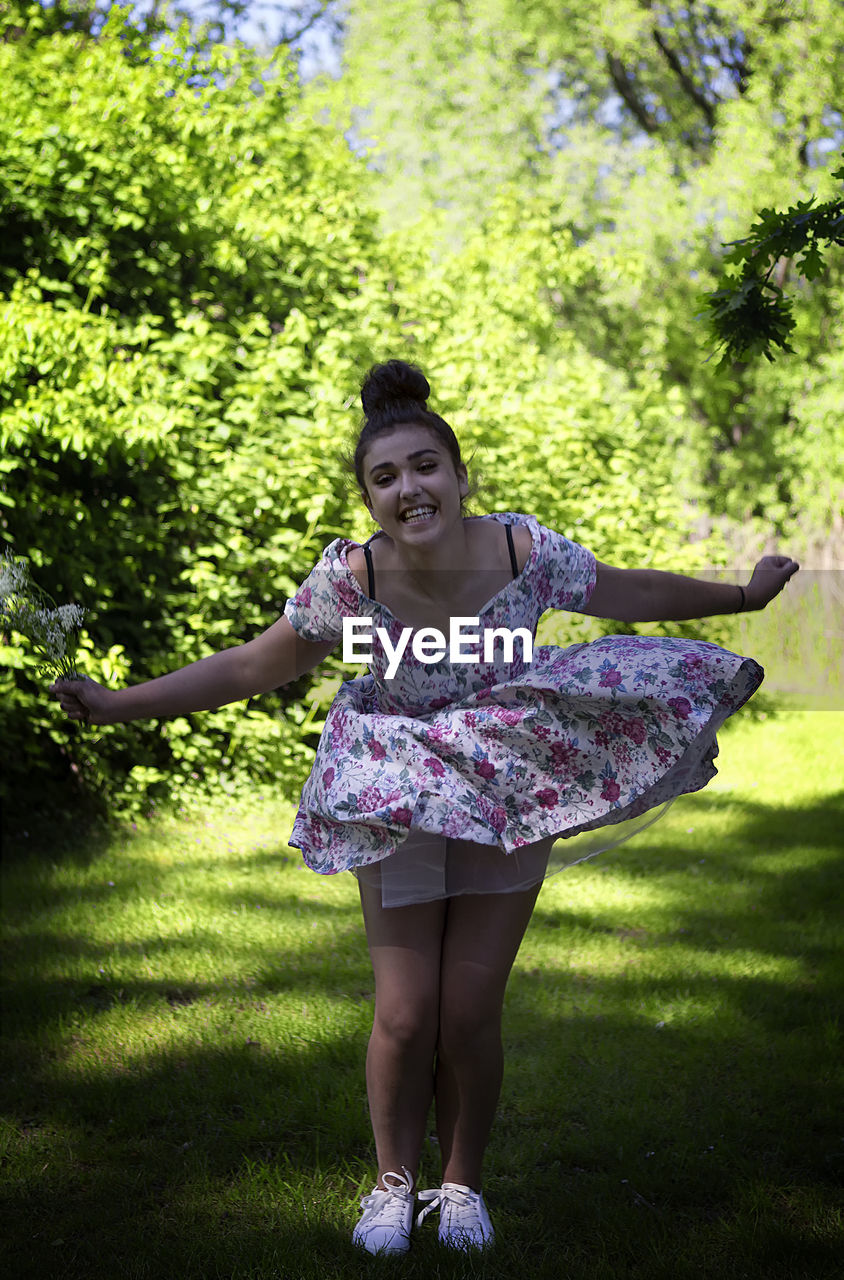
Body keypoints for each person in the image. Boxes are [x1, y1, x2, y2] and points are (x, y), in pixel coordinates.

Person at [51, 359, 798, 1257]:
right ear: (368, 501)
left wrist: (743, 596)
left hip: (499, 778)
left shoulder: (521, 550)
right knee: (406, 1012)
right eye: (385, 476)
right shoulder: (355, 578)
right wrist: (117, 701)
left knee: (469, 1012)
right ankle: (390, 1186)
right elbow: (254, 665)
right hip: (397, 779)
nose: (409, 486)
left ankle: (461, 1187)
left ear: (458, 474)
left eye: (424, 466)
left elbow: (627, 589)